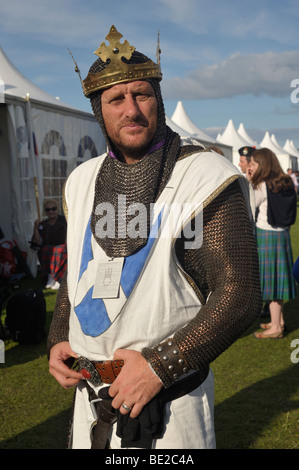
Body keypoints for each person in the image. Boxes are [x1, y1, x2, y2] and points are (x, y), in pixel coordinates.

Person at [47, 25, 262, 449]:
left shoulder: (204, 177)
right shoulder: (81, 181)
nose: (131, 110)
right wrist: (59, 337)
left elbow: (240, 294)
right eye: (115, 99)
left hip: (168, 405)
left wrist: (158, 367)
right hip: (90, 396)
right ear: (97, 109)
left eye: (141, 94)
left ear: (158, 99)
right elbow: (79, 273)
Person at [248, 148, 297, 339]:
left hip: (266, 235)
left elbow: (250, 204)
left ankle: (276, 327)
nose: (251, 166)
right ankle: (279, 320)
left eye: (254, 163)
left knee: (272, 283)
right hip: (283, 235)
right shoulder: (285, 182)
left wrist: (251, 181)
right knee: (278, 280)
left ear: (263, 164)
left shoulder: (262, 185)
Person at [32, 199, 67, 289]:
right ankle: (51, 276)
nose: (51, 211)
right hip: (49, 247)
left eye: (53, 209)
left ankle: (59, 279)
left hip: (63, 246)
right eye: (48, 210)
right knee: (44, 250)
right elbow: (37, 240)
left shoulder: (64, 220)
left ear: (57, 209)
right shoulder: (43, 224)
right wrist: (35, 227)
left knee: (59, 250)